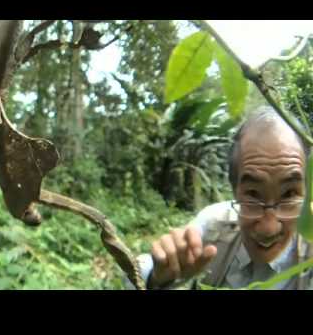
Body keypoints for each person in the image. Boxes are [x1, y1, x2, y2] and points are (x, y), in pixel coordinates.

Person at [130, 106, 313, 290]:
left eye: (289, 194)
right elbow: (140, 270)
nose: (269, 228)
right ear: (234, 191)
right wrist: (157, 278)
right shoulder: (215, 226)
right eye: (252, 195)